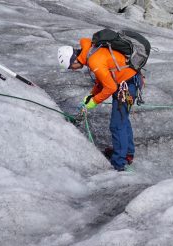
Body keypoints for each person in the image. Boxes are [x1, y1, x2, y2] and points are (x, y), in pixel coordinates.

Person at [57, 34, 144, 171]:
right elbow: (102, 80)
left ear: (74, 60)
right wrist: (91, 95)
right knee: (122, 120)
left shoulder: (94, 60)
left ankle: (119, 163)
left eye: (71, 67)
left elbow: (110, 87)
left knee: (117, 124)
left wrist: (93, 102)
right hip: (127, 80)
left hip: (126, 85)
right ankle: (126, 153)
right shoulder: (90, 51)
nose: (73, 70)